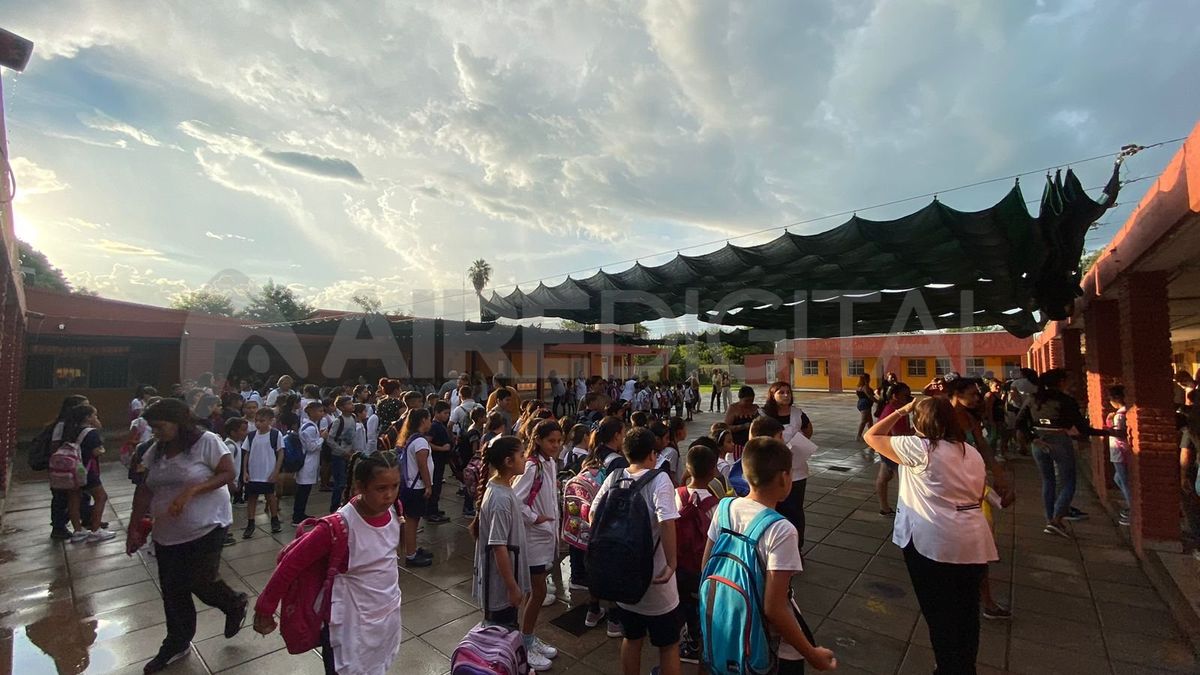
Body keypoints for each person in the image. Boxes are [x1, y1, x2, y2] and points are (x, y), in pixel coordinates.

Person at [864, 397, 998, 674]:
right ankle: (964, 665)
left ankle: (948, 667)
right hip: (972, 540)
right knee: (966, 611)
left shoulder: (919, 447)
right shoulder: (969, 452)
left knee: (940, 613)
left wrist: (903, 408)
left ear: (919, 422)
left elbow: (872, 435)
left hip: (933, 541)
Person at [254, 452, 404, 675]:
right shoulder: (337, 528)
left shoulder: (394, 509)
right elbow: (290, 565)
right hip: (348, 626)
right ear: (360, 487)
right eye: (381, 488)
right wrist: (265, 607)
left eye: (395, 486)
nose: (389, 495)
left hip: (386, 615)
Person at [126, 398, 246, 674]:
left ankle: (233, 603)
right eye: (153, 428)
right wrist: (134, 527)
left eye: (160, 426)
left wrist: (192, 491)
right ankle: (177, 641)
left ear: (179, 423)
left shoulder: (207, 442)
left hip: (207, 525)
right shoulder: (155, 451)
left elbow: (228, 472)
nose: (156, 432)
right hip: (167, 532)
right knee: (173, 590)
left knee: (201, 581)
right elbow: (145, 489)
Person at [703, 437, 838, 673]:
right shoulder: (781, 530)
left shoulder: (724, 508)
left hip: (727, 626)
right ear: (785, 478)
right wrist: (812, 654)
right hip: (768, 646)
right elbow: (774, 608)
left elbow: (707, 566)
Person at [590, 427, 680, 675]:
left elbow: (592, 514)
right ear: (653, 454)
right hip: (657, 581)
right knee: (669, 645)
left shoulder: (615, 476)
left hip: (623, 578)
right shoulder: (659, 479)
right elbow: (667, 521)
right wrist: (671, 563)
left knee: (632, 639)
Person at [470, 436, 544, 669]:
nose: (525, 458)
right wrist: (512, 587)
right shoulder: (500, 497)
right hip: (500, 586)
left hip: (502, 581)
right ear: (508, 461)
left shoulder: (502, 487)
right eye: (521, 455)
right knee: (500, 636)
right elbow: (498, 546)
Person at [1016, 369, 1112, 538]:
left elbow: (1020, 422)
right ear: (1061, 382)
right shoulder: (1066, 401)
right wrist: (1107, 433)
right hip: (1059, 439)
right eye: (1068, 380)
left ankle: (1050, 518)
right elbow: (1082, 428)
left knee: (1048, 481)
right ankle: (1056, 519)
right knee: (1068, 482)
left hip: (1039, 441)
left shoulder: (1034, 399)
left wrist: (1032, 438)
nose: (1070, 382)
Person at [512, 419, 563, 664]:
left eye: (558, 441)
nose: (555, 445)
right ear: (539, 440)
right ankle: (525, 642)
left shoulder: (549, 463)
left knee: (538, 592)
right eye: (551, 441)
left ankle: (528, 637)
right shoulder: (532, 467)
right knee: (538, 592)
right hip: (534, 540)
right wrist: (536, 518)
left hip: (545, 537)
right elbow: (516, 501)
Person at [675, 442, 720, 665]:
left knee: (683, 603)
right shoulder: (717, 505)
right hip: (705, 567)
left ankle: (690, 641)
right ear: (713, 472)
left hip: (679, 564)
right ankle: (704, 643)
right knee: (703, 604)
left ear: (687, 467)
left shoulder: (676, 495)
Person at [761, 382, 816, 552]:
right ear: (772, 394)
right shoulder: (764, 414)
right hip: (772, 470)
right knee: (774, 508)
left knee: (795, 510)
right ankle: (775, 545)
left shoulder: (798, 414)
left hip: (797, 471)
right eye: (781, 392)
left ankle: (796, 547)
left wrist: (800, 443)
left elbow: (808, 430)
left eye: (788, 392)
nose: (786, 395)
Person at [60, 404, 117, 543]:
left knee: (74, 499)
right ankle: (96, 529)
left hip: (71, 470)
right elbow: (96, 451)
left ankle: (78, 530)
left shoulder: (69, 430)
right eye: (94, 415)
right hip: (87, 470)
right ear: (87, 417)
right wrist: (102, 448)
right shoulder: (90, 432)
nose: (96, 417)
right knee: (101, 497)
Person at [46, 395, 94, 540]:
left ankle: (87, 519)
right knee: (61, 498)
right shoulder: (62, 425)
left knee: (82, 495)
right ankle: (58, 527)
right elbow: (55, 446)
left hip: (75, 468)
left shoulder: (77, 426)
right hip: (63, 467)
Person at [397, 408, 434, 567]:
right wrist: (428, 485)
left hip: (410, 486)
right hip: (416, 487)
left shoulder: (412, 438)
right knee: (411, 522)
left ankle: (412, 549)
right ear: (423, 420)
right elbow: (422, 465)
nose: (430, 422)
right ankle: (411, 556)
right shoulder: (420, 442)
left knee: (413, 521)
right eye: (429, 419)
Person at [240, 408, 285, 538]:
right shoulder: (251, 436)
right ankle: (250, 523)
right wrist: (245, 472)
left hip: (268, 472)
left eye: (262, 421)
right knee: (251, 498)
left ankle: (274, 520)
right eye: (256, 421)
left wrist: (276, 471)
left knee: (270, 496)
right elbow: (246, 454)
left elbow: (280, 453)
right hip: (253, 473)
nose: (258, 423)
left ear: (271, 421)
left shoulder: (275, 434)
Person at [874, 383, 913, 516]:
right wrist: (917, 431)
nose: (909, 398)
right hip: (892, 448)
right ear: (895, 396)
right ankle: (904, 509)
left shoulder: (900, 409)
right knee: (903, 480)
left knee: (884, 476)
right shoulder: (892, 411)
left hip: (886, 446)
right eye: (906, 395)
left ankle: (884, 507)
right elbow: (898, 434)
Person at [293, 401, 326, 524]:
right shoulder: (310, 428)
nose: (322, 414)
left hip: (310, 462)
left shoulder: (311, 425)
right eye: (319, 411)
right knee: (303, 491)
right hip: (307, 463)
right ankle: (297, 516)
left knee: (304, 491)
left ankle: (301, 513)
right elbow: (311, 447)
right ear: (311, 412)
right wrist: (322, 438)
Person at [427, 401, 454, 523]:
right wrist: (441, 448)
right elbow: (427, 442)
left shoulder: (440, 425)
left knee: (438, 485)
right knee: (435, 485)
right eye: (444, 413)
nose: (447, 416)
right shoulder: (433, 426)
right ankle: (431, 512)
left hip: (441, 460)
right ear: (436, 413)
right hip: (436, 460)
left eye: (448, 413)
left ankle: (434, 509)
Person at [724, 386, 760, 457]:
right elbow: (726, 427)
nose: (749, 403)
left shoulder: (755, 408)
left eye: (751, 401)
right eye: (746, 401)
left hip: (752, 444)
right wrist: (743, 426)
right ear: (740, 399)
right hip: (737, 444)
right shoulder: (733, 408)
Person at [223, 416, 248, 514]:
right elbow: (227, 467)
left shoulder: (238, 443)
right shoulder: (230, 446)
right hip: (229, 484)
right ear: (233, 432)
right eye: (242, 430)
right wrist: (231, 483)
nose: (245, 433)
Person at [855, 374, 878, 441]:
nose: (869, 379)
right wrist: (878, 402)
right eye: (868, 378)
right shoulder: (865, 387)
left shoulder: (860, 386)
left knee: (869, 420)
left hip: (863, 403)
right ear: (865, 379)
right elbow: (870, 396)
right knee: (864, 420)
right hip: (865, 404)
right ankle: (859, 436)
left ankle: (871, 434)